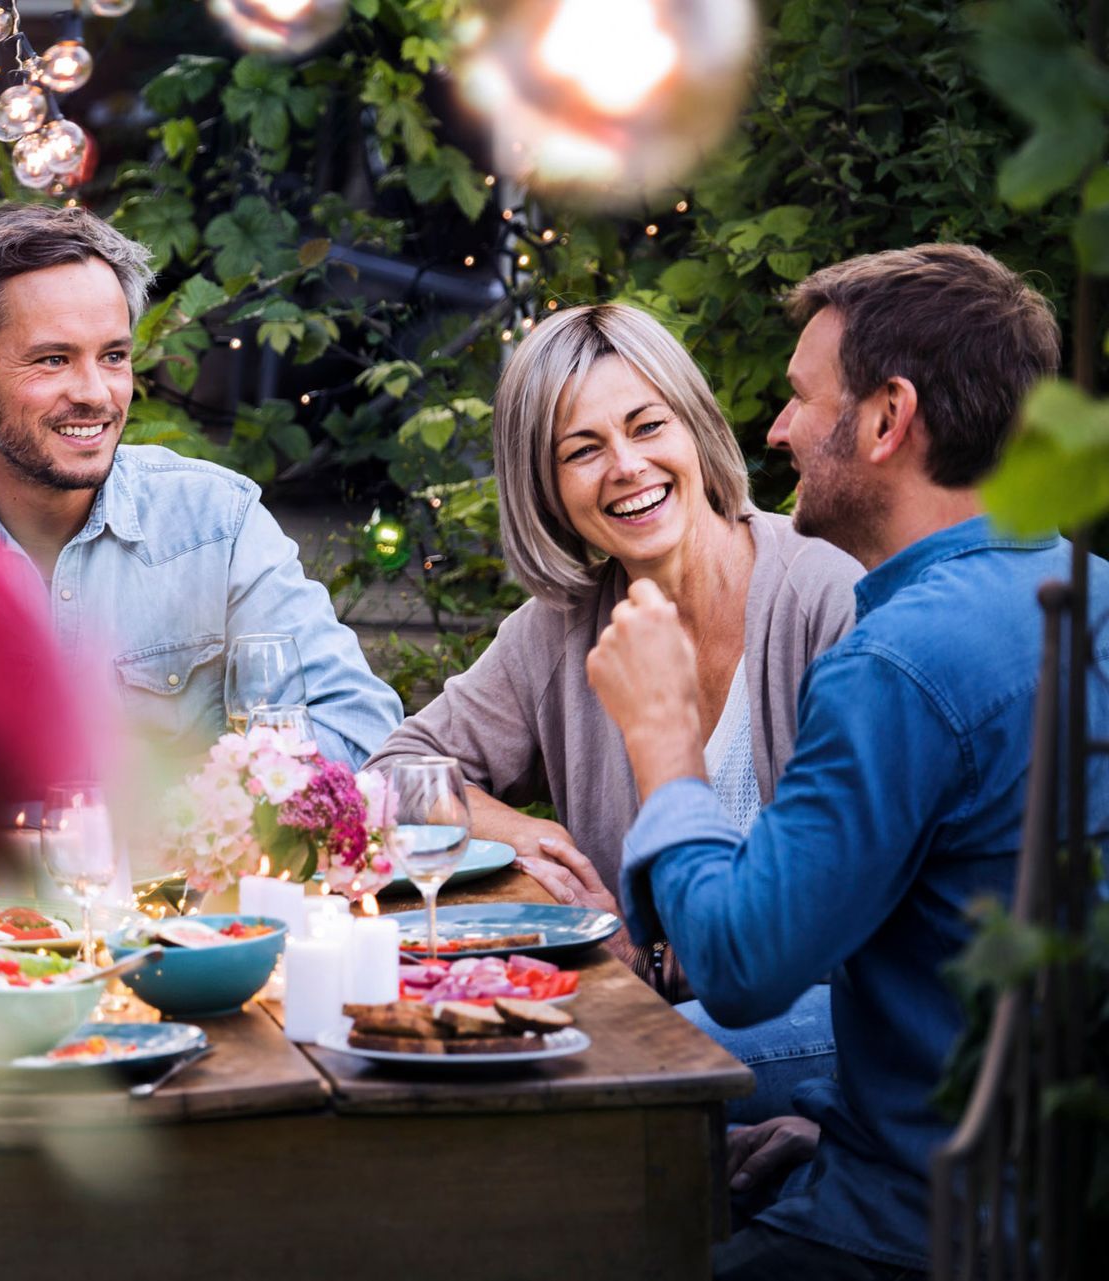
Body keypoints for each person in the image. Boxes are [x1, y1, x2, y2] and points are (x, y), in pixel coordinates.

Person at [586, 244, 1109, 1277]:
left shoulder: (899, 664)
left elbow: (741, 966)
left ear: (885, 418)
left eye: (799, 397)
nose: (776, 428)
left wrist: (662, 737)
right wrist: (834, 1125)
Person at [0, 206, 402, 849]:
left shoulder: (215, 523)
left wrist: (196, 809)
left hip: (172, 906)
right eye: (53, 360)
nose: (94, 392)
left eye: (113, 356)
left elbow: (359, 724)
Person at [366, 303, 861, 1119]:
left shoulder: (826, 596)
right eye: (583, 450)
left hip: (834, 1017)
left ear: (695, 426)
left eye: (647, 425)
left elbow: (854, 913)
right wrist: (521, 834)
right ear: (547, 488)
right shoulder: (558, 630)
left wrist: (652, 960)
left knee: (576, 1071)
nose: (627, 466)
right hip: (651, 1018)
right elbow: (389, 777)